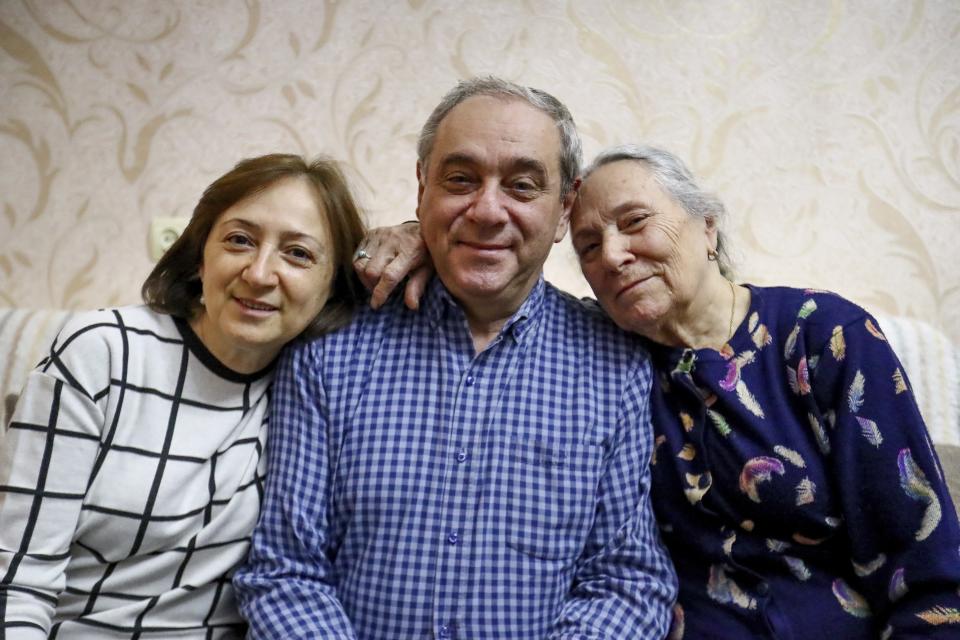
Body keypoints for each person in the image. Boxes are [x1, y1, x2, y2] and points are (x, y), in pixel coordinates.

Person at [361, 143, 960, 638]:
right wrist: (420, 236)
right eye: (589, 246)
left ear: (706, 225)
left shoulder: (822, 337)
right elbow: (497, 275)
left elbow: (931, 577)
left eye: (635, 222)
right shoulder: (603, 355)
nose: (614, 256)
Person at [232, 78, 678, 639]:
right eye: (461, 179)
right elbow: (285, 571)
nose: (488, 210)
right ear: (422, 188)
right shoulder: (330, 344)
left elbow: (626, 581)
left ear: (565, 206)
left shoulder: (615, 364)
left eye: (522, 186)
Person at [0, 153, 367, 639]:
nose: (259, 273)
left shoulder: (316, 387)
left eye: (298, 254)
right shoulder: (102, 354)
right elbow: (19, 578)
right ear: (200, 256)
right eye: (240, 240)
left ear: (333, 285)